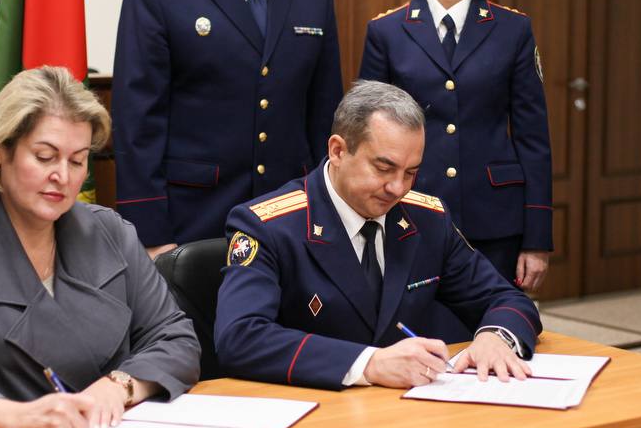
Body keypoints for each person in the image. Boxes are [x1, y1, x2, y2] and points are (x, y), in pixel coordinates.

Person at [214, 80, 541, 390]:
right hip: (312, 408)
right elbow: (240, 337)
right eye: (384, 169)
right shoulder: (269, 226)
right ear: (338, 151)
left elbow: (507, 299)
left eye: (411, 172)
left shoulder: (426, 218)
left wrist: (496, 336)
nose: (398, 188)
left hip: (406, 409)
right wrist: (368, 364)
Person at [113, 0, 343, 258]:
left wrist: (330, 212)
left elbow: (324, 114)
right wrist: (149, 233)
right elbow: (138, 123)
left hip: (289, 213)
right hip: (195, 216)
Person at [0, 67, 201, 428]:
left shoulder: (109, 232)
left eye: (77, 161)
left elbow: (177, 339)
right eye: (45, 157)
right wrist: (6, 418)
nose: (63, 176)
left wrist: (120, 385)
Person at [359, 0, 552, 291]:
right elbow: (368, 134)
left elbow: (533, 139)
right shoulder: (386, 31)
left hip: (494, 218)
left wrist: (537, 240)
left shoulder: (513, 30)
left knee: (496, 320)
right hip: (410, 208)